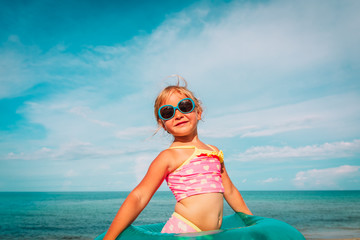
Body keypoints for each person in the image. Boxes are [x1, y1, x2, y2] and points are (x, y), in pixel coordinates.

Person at [103, 76, 252, 240]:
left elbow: (229, 190)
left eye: (185, 106)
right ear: (163, 124)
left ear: (198, 112)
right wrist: (109, 238)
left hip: (211, 235)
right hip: (183, 232)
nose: (178, 114)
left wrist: (252, 221)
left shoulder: (213, 151)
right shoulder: (168, 156)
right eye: (168, 112)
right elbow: (139, 196)